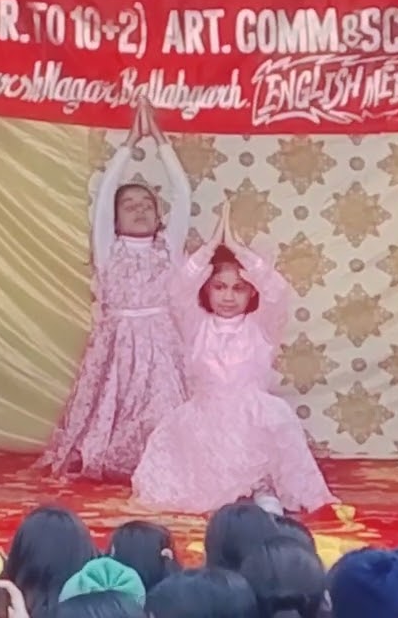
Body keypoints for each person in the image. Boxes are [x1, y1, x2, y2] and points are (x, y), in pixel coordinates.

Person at [132, 202, 336, 515]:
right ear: (206, 289)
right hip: (206, 417)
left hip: (254, 414)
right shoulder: (195, 324)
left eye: (239, 288)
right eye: (219, 287)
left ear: (252, 292)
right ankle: (231, 496)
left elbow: (276, 291)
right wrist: (211, 248)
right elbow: (178, 289)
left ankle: (263, 489)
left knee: (273, 421)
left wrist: (240, 251)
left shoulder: (261, 325)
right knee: (202, 471)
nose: (228, 296)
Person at [38, 98, 191, 482]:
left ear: (159, 216)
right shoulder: (108, 249)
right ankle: (116, 459)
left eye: (147, 204)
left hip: (162, 343)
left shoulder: (168, 248)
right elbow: (105, 193)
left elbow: (183, 193)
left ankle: (164, 460)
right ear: (115, 218)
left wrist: (161, 142)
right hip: (117, 342)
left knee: (164, 404)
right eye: (129, 205)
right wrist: (128, 145)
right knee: (113, 404)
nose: (139, 210)